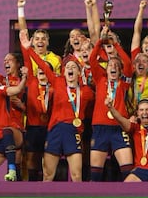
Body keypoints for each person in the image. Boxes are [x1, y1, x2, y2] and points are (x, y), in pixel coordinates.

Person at [20, 29, 95, 182]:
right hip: (54, 130)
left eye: (74, 67)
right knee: (47, 175)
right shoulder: (58, 82)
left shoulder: (87, 91)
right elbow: (42, 65)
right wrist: (29, 49)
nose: (70, 69)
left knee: (76, 176)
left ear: (80, 72)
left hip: (73, 131)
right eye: (67, 68)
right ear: (63, 71)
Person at [89, 25, 134, 181]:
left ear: (120, 71)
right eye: (110, 65)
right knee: (95, 174)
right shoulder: (100, 79)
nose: (113, 67)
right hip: (100, 127)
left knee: (128, 171)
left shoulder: (124, 83)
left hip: (119, 127)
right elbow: (91, 60)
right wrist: (100, 41)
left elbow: (128, 64)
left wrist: (116, 44)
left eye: (116, 66)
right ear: (106, 69)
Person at [20, 41, 54, 181]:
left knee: (48, 161)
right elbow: (28, 61)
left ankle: (48, 189)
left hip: (50, 128)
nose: (42, 71)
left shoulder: (55, 87)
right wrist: (26, 47)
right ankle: (32, 189)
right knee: (31, 160)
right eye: (40, 69)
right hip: (33, 128)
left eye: (45, 69)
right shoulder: (32, 82)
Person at [17, 0, 62, 76]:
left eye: (43, 39)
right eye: (37, 39)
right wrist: (20, 8)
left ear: (48, 42)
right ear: (32, 42)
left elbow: (45, 68)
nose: (40, 41)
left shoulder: (56, 58)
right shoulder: (29, 56)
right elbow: (23, 32)